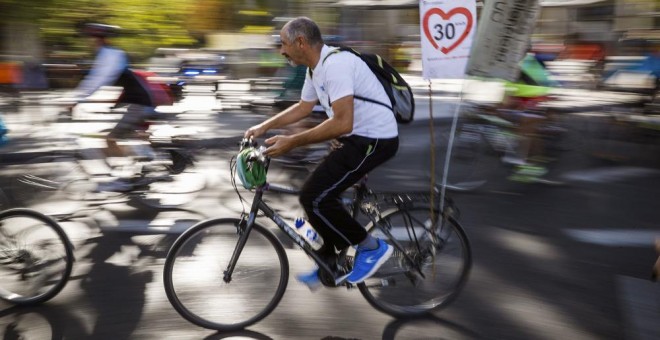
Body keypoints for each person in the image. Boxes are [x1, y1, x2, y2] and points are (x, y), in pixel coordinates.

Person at [244, 17, 399, 287]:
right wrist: (263, 126)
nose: (281, 50)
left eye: (283, 44)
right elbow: (304, 108)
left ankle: (371, 247)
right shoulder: (315, 69)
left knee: (315, 197)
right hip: (357, 138)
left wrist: (292, 142)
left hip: (375, 140)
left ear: (300, 42)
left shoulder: (335, 66)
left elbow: (342, 122)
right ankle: (329, 260)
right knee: (319, 197)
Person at [64, 23, 172, 191]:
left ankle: (125, 178)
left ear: (99, 39)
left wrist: (75, 99)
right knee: (117, 138)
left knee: (109, 140)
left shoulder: (110, 55)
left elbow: (98, 79)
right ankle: (140, 164)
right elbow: (107, 81)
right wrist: (104, 106)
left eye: (92, 39)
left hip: (140, 103)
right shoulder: (111, 54)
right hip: (139, 102)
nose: (90, 42)